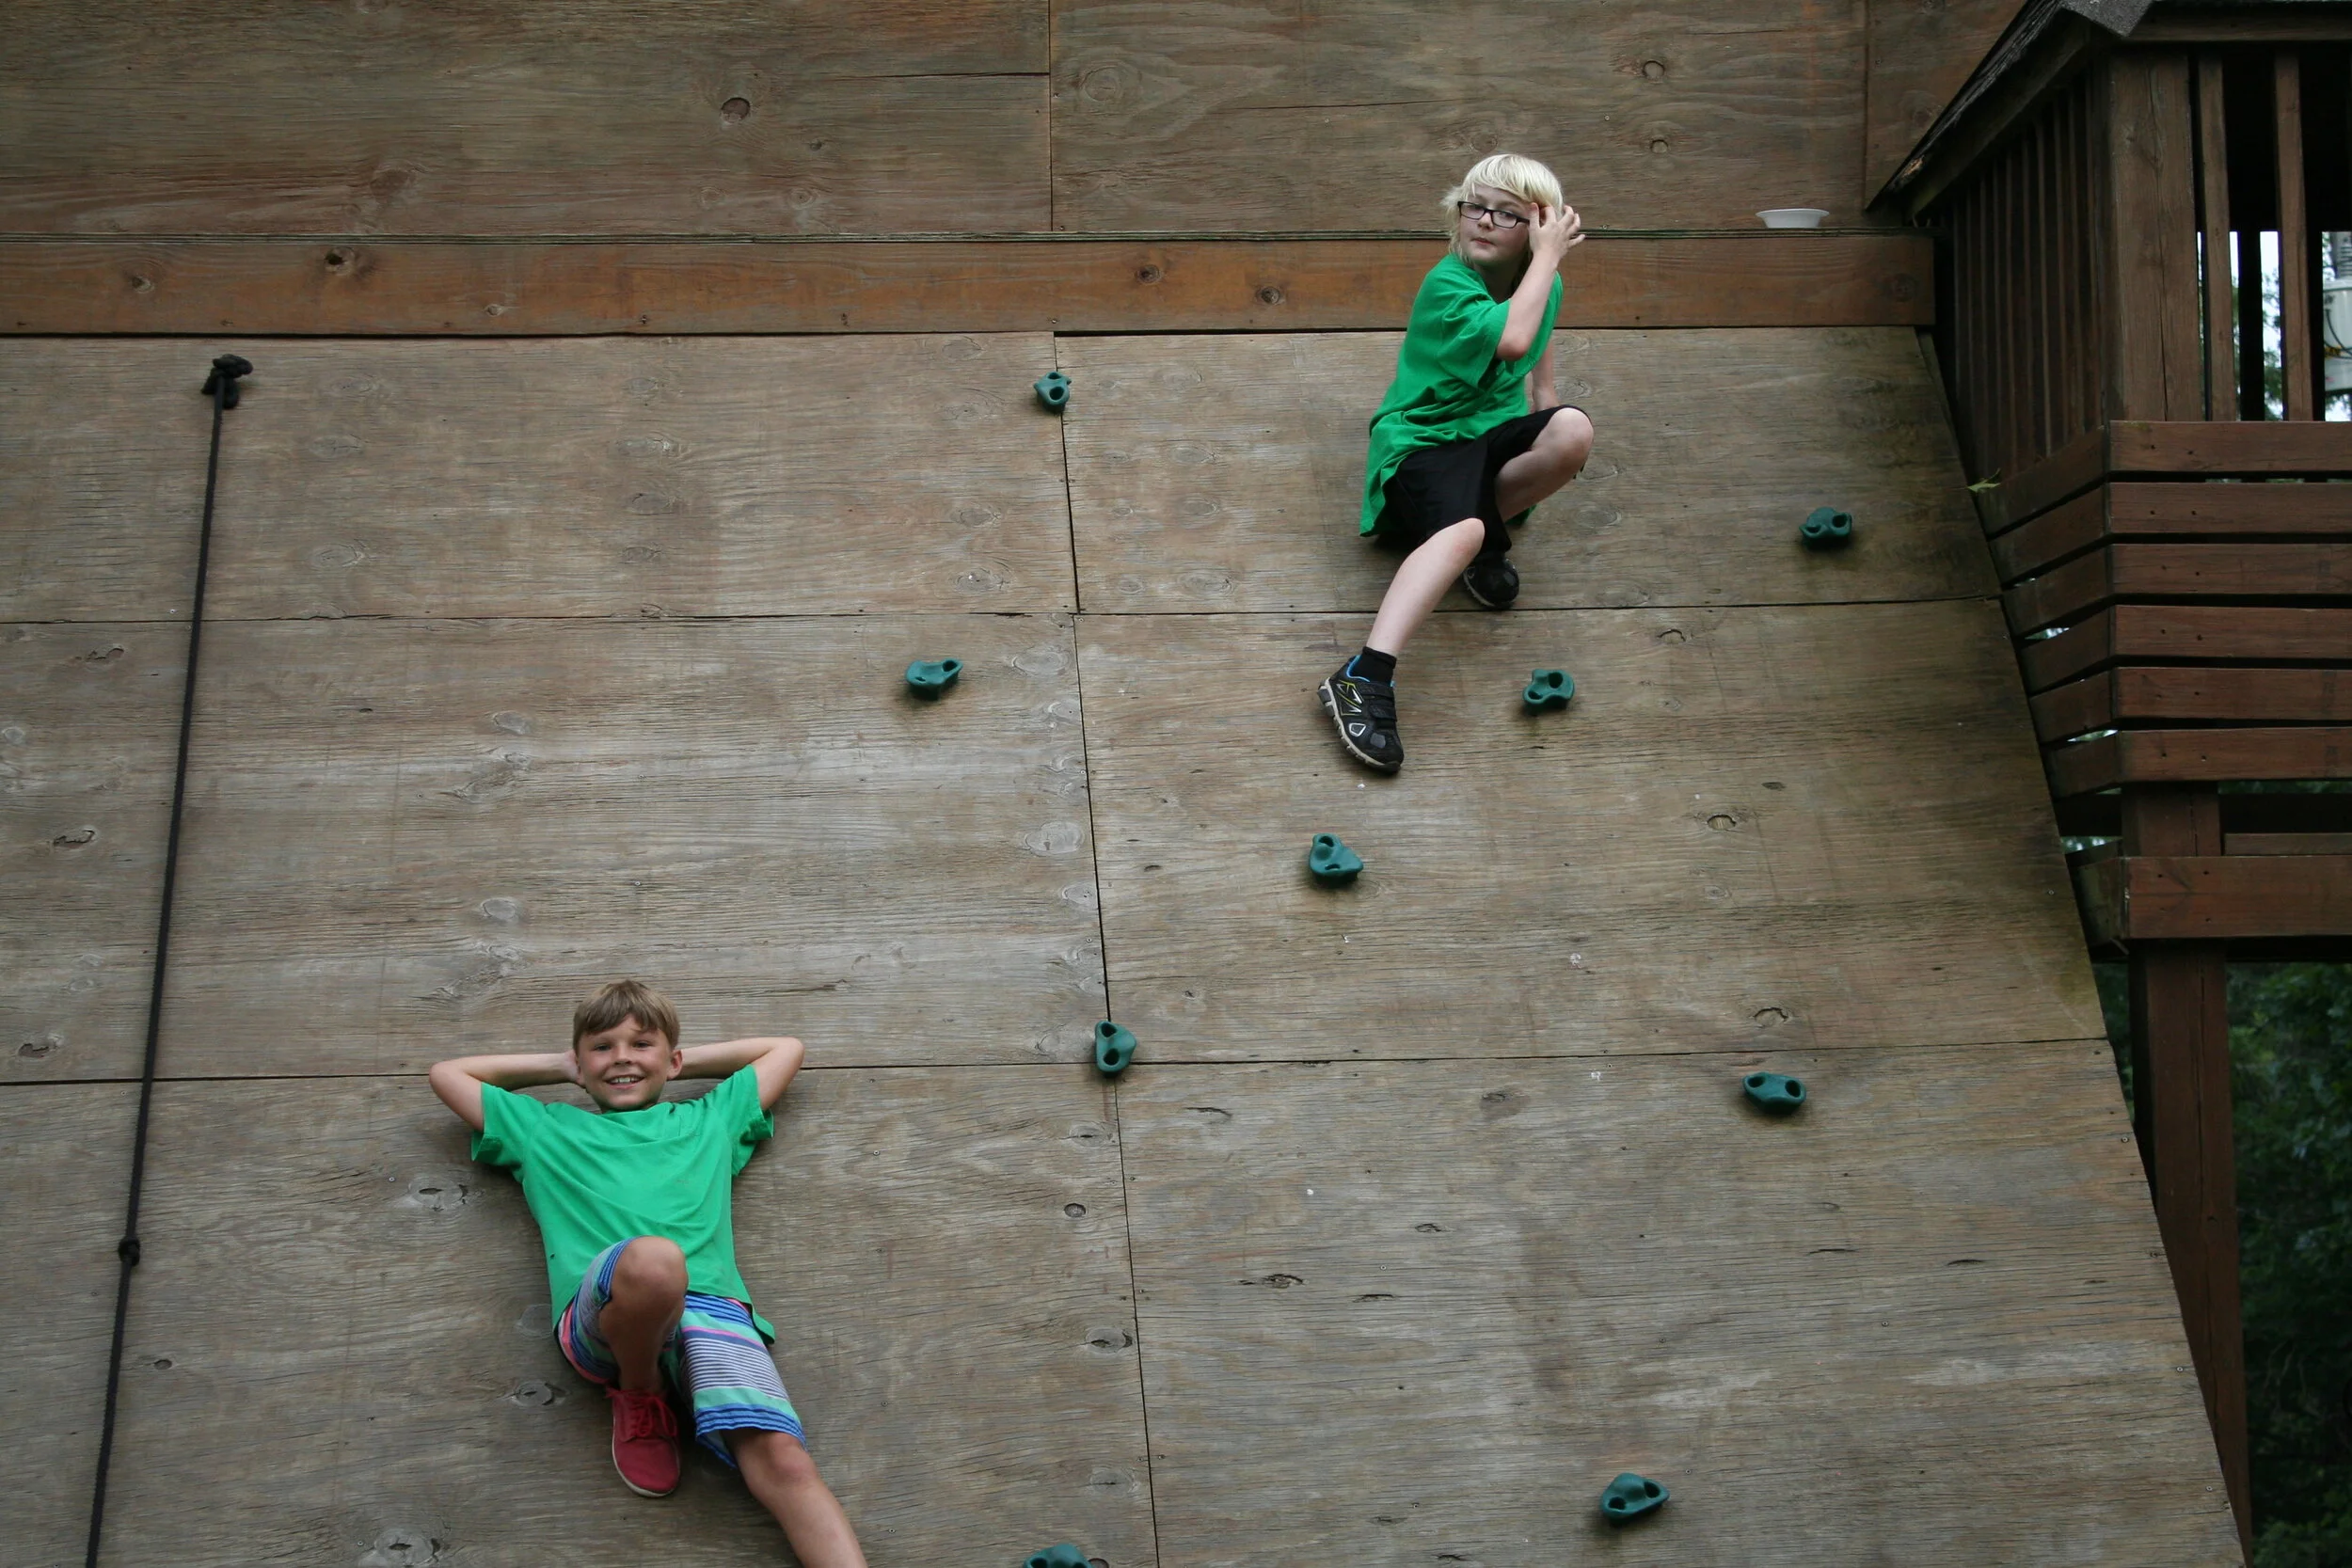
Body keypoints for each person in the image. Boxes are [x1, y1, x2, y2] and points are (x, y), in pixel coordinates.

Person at [428, 979, 866, 1567]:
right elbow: (448, 1074)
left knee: (785, 1461)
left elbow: (785, 1048)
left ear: (674, 1059)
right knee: (657, 1259)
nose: (623, 1058)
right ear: (579, 1065)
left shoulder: (708, 1120)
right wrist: (565, 1065)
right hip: (607, 1316)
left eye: (642, 1045)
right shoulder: (545, 1129)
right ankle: (639, 1392)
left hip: (711, 1311)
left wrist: (667, 1063)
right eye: (603, 1047)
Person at [1320, 152, 1597, 772]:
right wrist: (1550, 255)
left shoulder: (1540, 279)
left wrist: (1546, 404)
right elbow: (1514, 339)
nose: (1484, 221)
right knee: (1465, 529)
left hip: (1484, 442)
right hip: (1423, 445)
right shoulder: (1448, 283)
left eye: (1506, 213)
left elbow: (1540, 327)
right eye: (1475, 206)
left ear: (1536, 225)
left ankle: (1477, 537)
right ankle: (1364, 673)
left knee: (1574, 430)